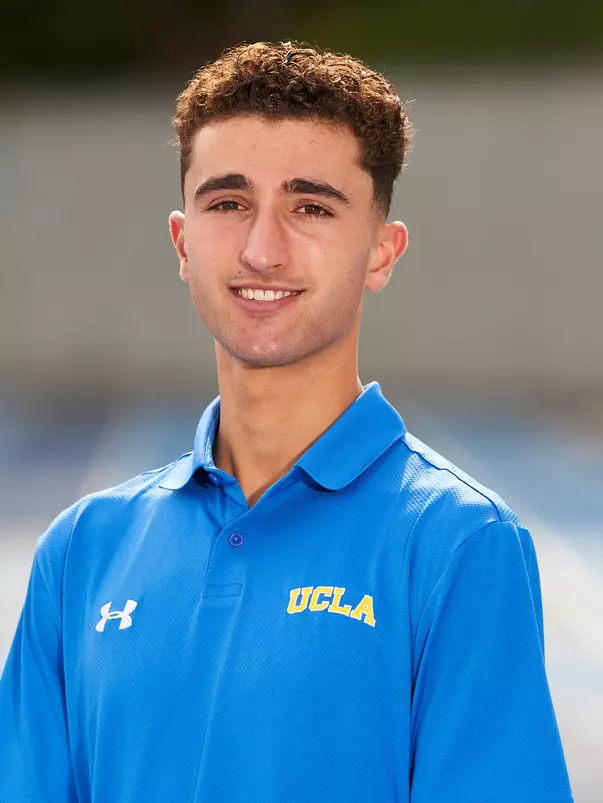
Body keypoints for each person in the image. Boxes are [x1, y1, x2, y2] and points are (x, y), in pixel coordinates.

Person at [0, 41, 574, 803]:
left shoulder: (457, 541)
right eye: (227, 203)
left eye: (310, 207)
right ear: (182, 242)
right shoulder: (83, 547)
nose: (261, 249)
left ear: (381, 252)